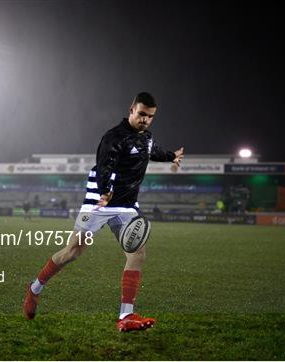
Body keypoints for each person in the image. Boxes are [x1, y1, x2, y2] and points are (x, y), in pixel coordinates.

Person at [24, 92, 184, 332]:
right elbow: (104, 166)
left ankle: (126, 316)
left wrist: (172, 156)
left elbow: (152, 150)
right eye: (141, 114)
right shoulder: (114, 137)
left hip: (127, 206)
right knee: (73, 251)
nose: (145, 120)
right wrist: (105, 191)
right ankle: (34, 289)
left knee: (137, 252)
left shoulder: (146, 138)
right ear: (131, 109)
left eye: (150, 116)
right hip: (99, 202)